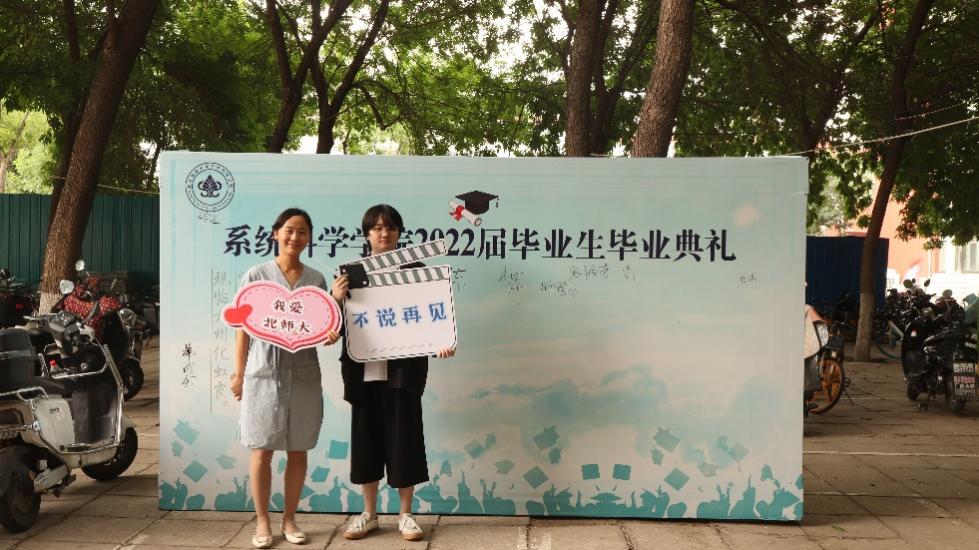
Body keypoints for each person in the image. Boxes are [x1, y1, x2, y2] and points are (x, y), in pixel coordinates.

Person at [333, 204, 455, 542]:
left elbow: (433, 316)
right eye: (376, 228)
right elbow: (335, 325)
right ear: (367, 234)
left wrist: (442, 342)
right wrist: (336, 298)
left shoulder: (417, 272)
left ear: (399, 231)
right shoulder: (351, 274)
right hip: (363, 372)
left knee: (405, 442)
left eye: (389, 227)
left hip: (403, 374)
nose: (383, 233)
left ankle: (405, 515)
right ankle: (369, 514)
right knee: (366, 443)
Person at [231, 207, 340, 549]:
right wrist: (238, 373)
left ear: (309, 238)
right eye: (289, 230)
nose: (295, 237)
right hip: (263, 373)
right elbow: (242, 328)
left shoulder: (316, 281)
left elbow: (322, 326)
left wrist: (331, 333)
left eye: (302, 231)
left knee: (298, 449)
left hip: (304, 374)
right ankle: (262, 521)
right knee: (261, 449)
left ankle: (290, 519)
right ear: (276, 233)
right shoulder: (256, 275)